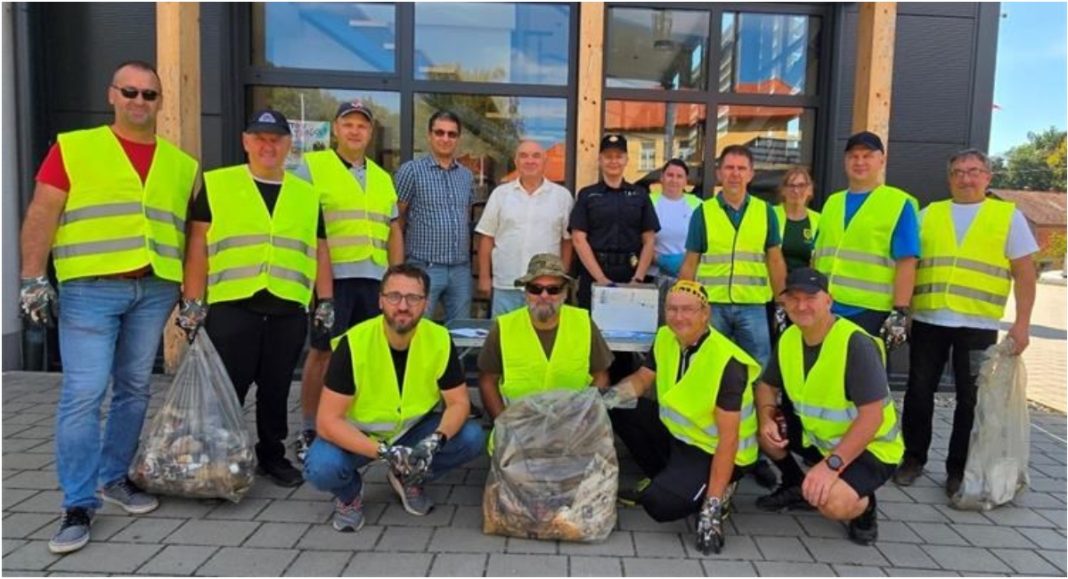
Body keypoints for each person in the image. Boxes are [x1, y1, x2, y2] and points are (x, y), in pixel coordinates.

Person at [19, 60, 199, 554]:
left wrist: (191, 295)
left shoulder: (181, 165)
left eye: (150, 95)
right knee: (85, 392)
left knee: (135, 388)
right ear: (112, 95)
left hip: (154, 288)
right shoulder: (75, 148)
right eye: (132, 92)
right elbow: (43, 211)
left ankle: (114, 476)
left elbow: (187, 235)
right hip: (90, 290)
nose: (141, 102)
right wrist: (33, 277)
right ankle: (77, 502)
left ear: (160, 102)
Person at [178, 109, 332, 488]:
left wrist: (324, 301)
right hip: (234, 306)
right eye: (260, 138)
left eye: (276, 139)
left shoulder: (306, 194)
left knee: (277, 387)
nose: (268, 145)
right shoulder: (218, 185)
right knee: (228, 386)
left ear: (288, 145)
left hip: (287, 307)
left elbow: (320, 249)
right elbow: (198, 245)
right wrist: (192, 301)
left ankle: (271, 455)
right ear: (246, 142)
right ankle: (221, 456)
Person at [895, 149, 1038, 496]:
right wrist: (906, 312)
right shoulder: (929, 215)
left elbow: (1025, 273)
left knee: (970, 398)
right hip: (930, 319)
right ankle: (913, 458)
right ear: (949, 178)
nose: (966, 178)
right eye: (958, 172)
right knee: (918, 392)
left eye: (974, 171)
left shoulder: (1007, 217)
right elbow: (910, 265)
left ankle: (958, 469)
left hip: (977, 324)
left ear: (988, 177)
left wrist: (1022, 325)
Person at [303, 264, 486, 531]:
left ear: (425, 304)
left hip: (412, 431)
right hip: (359, 436)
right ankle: (350, 495)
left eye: (413, 298)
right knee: (321, 467)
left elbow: (459, 403)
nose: (403, 306)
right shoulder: (353, 343)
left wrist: (435, 441)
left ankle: (409, 476)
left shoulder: (439, 338)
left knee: (471, 437)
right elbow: (327, 422)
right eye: (394, 296)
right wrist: (385, 453)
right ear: (380, 300)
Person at [605, 280, 760, 555]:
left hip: (714, 450)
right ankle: (669, 476)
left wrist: (710, 513)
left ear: (705, 313)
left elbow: (729, 439)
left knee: (659, 505)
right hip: (680, 435)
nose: (679, 317)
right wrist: (602, 401)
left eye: (688, 310)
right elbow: (642, 379)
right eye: (672, 309)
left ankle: (720, 490)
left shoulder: (728, 361)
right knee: (622, 408)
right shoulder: (666, 337)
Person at [754, 268, 903, 546]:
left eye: (810, 297)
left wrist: (831, 466)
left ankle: (865, 509)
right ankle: (795, 484)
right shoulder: (789, 337)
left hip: (871, 447)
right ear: (783, 303)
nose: (801, 305)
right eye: (793, 298)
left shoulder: (854, 343)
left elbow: (872, 418)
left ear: (828, 301)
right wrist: (766, 417)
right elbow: (766, 386)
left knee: (832, 504)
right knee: (756, 426)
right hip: (820, 436)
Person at [293, 100, 405, 461]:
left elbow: (393, 230)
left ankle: (352, 422)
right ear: (336, 129)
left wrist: (397, 278)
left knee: (366, 354)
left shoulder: (383, 177)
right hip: (332, 280)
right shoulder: (311, 168)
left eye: (362, 125)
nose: (355, 131)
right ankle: (310, 427)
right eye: (349, 124)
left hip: (374, 279)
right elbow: (298, 224)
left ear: (371, 133)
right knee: (323, 352)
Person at [678, 144, 786, 368]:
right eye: (729, 168)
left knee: (760, 365)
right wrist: (685, 302)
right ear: (719, 173)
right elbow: (691, 262)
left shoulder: (766, 212)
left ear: (751, 174)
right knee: (709, 364)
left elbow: (775, 260)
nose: (735, 174)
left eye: (741, 168)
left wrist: (782, 301)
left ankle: (758, 405)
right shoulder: (703, 212)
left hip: (753, 305)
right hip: (711, 304)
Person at [811, 131, 919, 343]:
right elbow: (817, 256)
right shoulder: (832, 202)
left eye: (867, 155)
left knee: (865, 373)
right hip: (827, 307)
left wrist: (900, 311)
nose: (859, 161)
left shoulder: (899, 203)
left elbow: (907, 261)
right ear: (845, 161)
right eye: (853, 156)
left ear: (882, 160)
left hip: (870, 311)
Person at [477, 254, 613, 420]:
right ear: (526, 291)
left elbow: (601, 376)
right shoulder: (504, 326)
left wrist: (585, 419)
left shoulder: (584, 322)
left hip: (573, 429)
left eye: (553, 289)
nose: (544, 296)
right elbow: (487, 382)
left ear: (565, 292)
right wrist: (504, 426)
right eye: (536, 289)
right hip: (519, 429)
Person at [476, 141, 574, 317]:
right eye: (524, 156)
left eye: (536, 156)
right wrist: (484, 277)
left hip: (545, 289)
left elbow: (567, 242)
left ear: (545, 161)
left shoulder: (562, 197)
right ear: (516, 161)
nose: (530, 161)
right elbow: (487, 238)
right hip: (506, 285)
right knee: (504, 340)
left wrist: (561, 280)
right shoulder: (500, 194)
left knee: (543, 341)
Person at [395, 110, 474, 324]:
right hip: (423, 267)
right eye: (439, 133)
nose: (445, 139)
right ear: (429, 135)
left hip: (460, 269)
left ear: (458, 138)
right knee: (417, 329)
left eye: (451, 134)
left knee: (460, 333)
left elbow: (465, 216)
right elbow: (397, 220)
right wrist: (399, 265)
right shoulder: (410, 171)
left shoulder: (466, 176)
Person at [569, 134, 660, 309]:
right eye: (608, 157)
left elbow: (649, 240)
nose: (613, 161)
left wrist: (638, 278)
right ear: (600, 160)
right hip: (594, 275)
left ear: (626, 160)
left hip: (631, 275)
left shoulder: (640, 195)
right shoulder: (587, 195)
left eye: (619, 156)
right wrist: (601, 279)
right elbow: (578, 239)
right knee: (592, 330)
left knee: (629, 331)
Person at [650, 159, 702, 320]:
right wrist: (658, 259)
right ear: (662, 178)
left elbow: (704, 240)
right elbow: (639, 237)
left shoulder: (698, 205)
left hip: (688, 276)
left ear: (686, 181)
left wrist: (685, 263)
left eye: (679, 176)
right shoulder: (649, 201)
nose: (674, 180)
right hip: (654, 275)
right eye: (670, 175)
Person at [773, 166, 821, 273]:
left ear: (809, 190)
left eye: (801, 186)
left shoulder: (819, 220)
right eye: (791, 186)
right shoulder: (770, 215)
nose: (796, 190)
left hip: (805, 286)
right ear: (783, 190)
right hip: (773, 286)